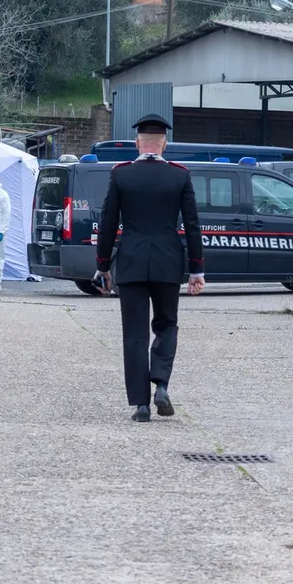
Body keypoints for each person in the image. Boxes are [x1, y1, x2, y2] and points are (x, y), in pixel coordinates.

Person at [95, 113, 204, 423]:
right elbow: (192, 225)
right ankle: (162, 384)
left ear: (137, 143)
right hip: (168, 263)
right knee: (167, 324)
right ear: (164, 145)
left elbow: (108, 223)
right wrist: (197, 270)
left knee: (134, 334)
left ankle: (141, 405)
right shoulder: (180, 176)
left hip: (130, 262)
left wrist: (103, 265)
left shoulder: (121, 175)